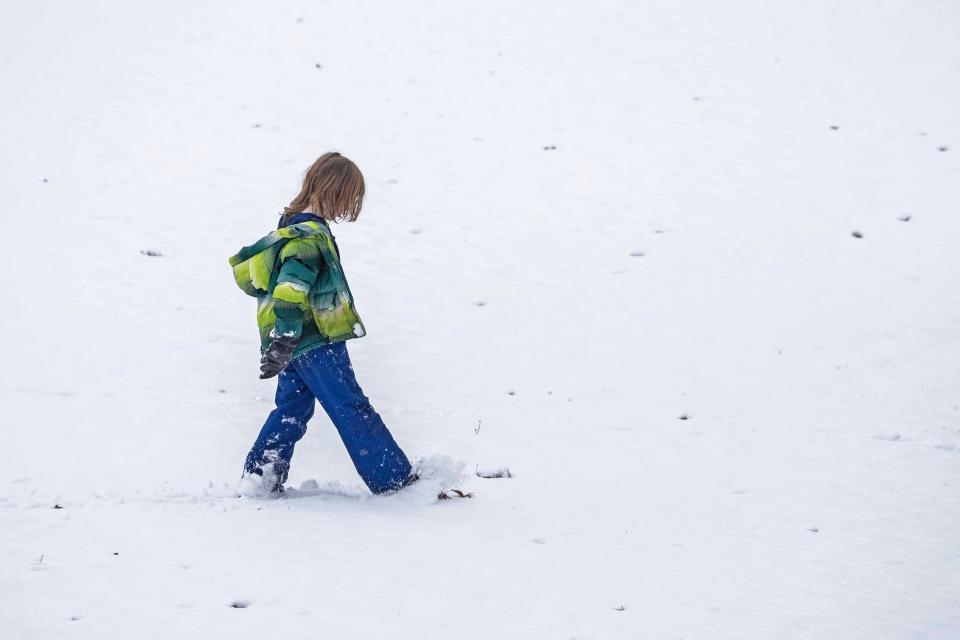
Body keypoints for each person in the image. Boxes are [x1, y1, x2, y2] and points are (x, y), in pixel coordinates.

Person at [229, 152, 415, 495]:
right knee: (351, 406)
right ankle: (395, 481)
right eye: (349, 199)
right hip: (315, 343)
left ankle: (261, 477)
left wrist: (283, 341)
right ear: (335, 191)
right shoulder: (308, 238)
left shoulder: (291, 226)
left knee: (291, 409)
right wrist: (285, 335)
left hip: (294, 344)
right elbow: (290, 289)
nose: (347, 208)